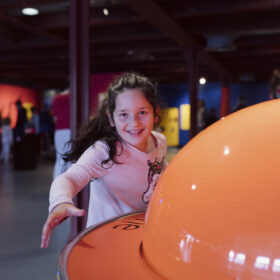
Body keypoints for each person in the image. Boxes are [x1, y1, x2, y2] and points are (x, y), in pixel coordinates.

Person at [41, 73, 167, 248]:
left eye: (142, 112)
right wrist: (61, 201)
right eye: (124, 114)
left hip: (142, 235)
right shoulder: (105, 151)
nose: (134, 123)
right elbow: (69, 178)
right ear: (111, 118)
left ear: (156, 113)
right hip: (106, 241)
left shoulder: (159, 141)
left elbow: (157, 167)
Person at [51, 89, 71, 179]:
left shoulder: (57, 98)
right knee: (71, 158)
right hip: (72, 130)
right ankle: (70, 185)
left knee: (59, 158)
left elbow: (54, 118)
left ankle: (57, 185)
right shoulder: (74, 97)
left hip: (59, 130)